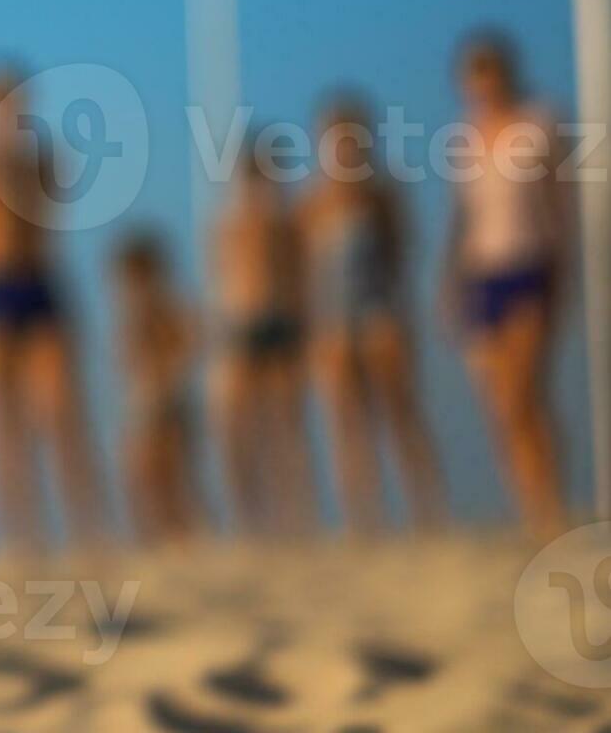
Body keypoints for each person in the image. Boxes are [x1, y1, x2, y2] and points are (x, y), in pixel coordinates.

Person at [0, 61, 106, 554]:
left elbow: (48, 218)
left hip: (39, 284)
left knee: (62, 414)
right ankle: (22, 536)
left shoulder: (43, 159)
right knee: (3, 422)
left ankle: (86, 528)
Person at [440, 29, 572, 532]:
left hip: (530, 266)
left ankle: (550, 502)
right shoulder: (464, 138)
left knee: (524, 393)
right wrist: (450, 283)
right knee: (501, 405)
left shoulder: (540, 124)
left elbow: (559, 207)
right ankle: (529, 504)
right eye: (474, 76)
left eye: (489, 72)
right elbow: (462, 217)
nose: (483, 84)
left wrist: (563, 275)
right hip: (483, 274)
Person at [299, 88, 443, 534]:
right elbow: (305, 272)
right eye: (334, 137)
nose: (343, 146)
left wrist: (400, 317)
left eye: (350, 137)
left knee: (400, 411)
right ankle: (364, 519)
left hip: (379, 309)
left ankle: (428, 511)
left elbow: (401, 255)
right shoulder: (313, 202)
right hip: (332, 317)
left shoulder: (381, 195)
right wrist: (315, 333)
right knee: (346, 422)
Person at [207, 134, 315, 536]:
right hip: (244, 324)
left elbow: (299, 277)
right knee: (240, 428)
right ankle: (251, 517)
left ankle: (295, 514)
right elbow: (223, 278)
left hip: (279, 321)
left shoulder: (285, 221)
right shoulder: (232, 221)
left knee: (285, 424)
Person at [107, 229, 204, 545]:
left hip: (167, 403)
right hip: (142, 405)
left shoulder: (167, 310)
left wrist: (164, 376)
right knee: (142, 477)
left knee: (172, 477)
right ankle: (154, 537)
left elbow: (188, 347)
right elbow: (126, 362)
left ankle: (182, 534)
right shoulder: (132, 315)